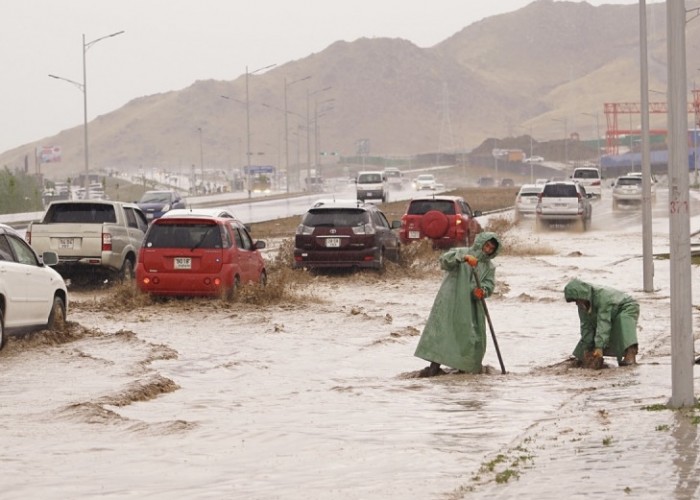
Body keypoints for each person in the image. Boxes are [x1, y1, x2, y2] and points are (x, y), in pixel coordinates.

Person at [415, 231, 502, 376]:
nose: (487, 250)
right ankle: (433, 369)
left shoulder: (489, 267)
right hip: (451, 301)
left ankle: (464, 370)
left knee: (471, 336)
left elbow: (489, 284)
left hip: (472, 306)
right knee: (444, 332)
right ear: (480, 242)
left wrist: (483, 291)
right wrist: (463, 258)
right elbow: (444, 261)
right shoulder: (461, 252)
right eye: (486, 246)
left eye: (490, 249)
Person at [564, 278, 639, 369]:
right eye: (574, 301)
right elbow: (586, 327)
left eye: (577, 300)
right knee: (590, 336)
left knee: (622, 321)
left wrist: (599, 347)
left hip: (626, 307)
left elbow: (603, 322)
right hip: (610, 312)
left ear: (583, 295)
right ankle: (583, 357)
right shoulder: (582, 305)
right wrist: (586, 349)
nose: (576, 303)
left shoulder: (602, 297)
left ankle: (630, 353)